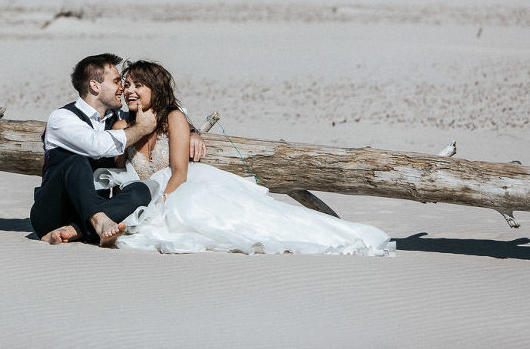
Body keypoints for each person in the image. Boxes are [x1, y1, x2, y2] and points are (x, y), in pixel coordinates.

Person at [96, 60, 395, 256]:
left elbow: (179, 172)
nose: (131, 91)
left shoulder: (173, 118)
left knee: (254, 224)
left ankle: (343, 237)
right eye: (128, 85)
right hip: (144, 196)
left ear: (155, 90)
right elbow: (121, 175)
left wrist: (157, 206)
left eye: (139, 85)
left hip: (181, 191)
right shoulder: (122, 126)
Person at [30, 53, 207, 247]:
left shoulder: (118, 117)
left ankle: (78, 230)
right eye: (117, 82)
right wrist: (141, 129)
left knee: (143, 189)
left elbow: (161, 107)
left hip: (102, 213)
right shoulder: (62, 118)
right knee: (75, 160)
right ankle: (96, 221)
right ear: (95, 86)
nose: (123, 88)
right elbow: (96, 145)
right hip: (54, 212)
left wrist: (191, 131)